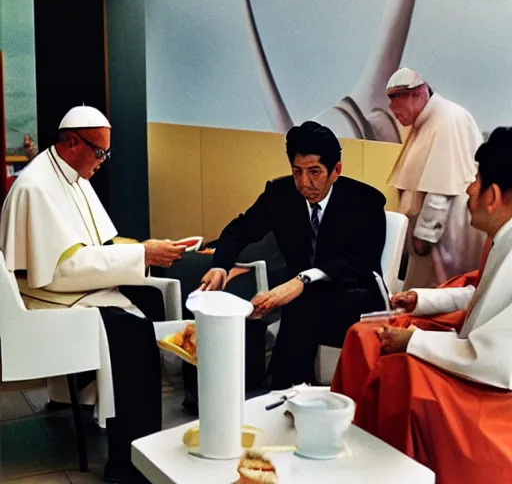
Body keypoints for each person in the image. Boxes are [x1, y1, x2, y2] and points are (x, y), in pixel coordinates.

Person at [0, 106, 187, 483]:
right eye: (99, 152)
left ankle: (109, 410)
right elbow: (55, 272)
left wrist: (145, 248)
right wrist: (141, 254)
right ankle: (126, 465)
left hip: (65, 288)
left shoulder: (73, 176)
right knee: (131, 335)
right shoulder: (36, 186)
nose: (103, 161)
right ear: (72, 142)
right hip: (43, 299)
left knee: (147, 301)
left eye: (106, 152)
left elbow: (97, 242)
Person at [330, 126, 512, 484]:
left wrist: (413, 341)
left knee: (400, 371)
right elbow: (482, 295)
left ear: (492, 195)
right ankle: (345, 432)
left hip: (493, 384)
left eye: (475, 180)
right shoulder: (502, 238)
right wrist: (422, 300)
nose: (468, 188)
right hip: (471, 345)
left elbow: (496, 354)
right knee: (365, 335)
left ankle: (387, 467)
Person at [198, 121, 387, 390]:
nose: (304, 183)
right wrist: (220, 266)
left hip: (353, 295)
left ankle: (286, 390)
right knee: (257, 308)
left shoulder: (366, 201)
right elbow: (241, 229)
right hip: (301, 298)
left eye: (314, 172)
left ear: (336, 171)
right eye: (297, 172)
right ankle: (281, 390)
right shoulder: (281, 194)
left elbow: (361, 262)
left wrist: (301, 281)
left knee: (302, 307)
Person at [386, 67, 485, 288]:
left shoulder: (447, 118)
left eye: (395, 99)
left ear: (417, 94)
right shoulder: (427, 120)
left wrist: (424, 236)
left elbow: (441, 188)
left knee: (439, 291)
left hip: (444, 232)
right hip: (435, 234)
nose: (391, 108)